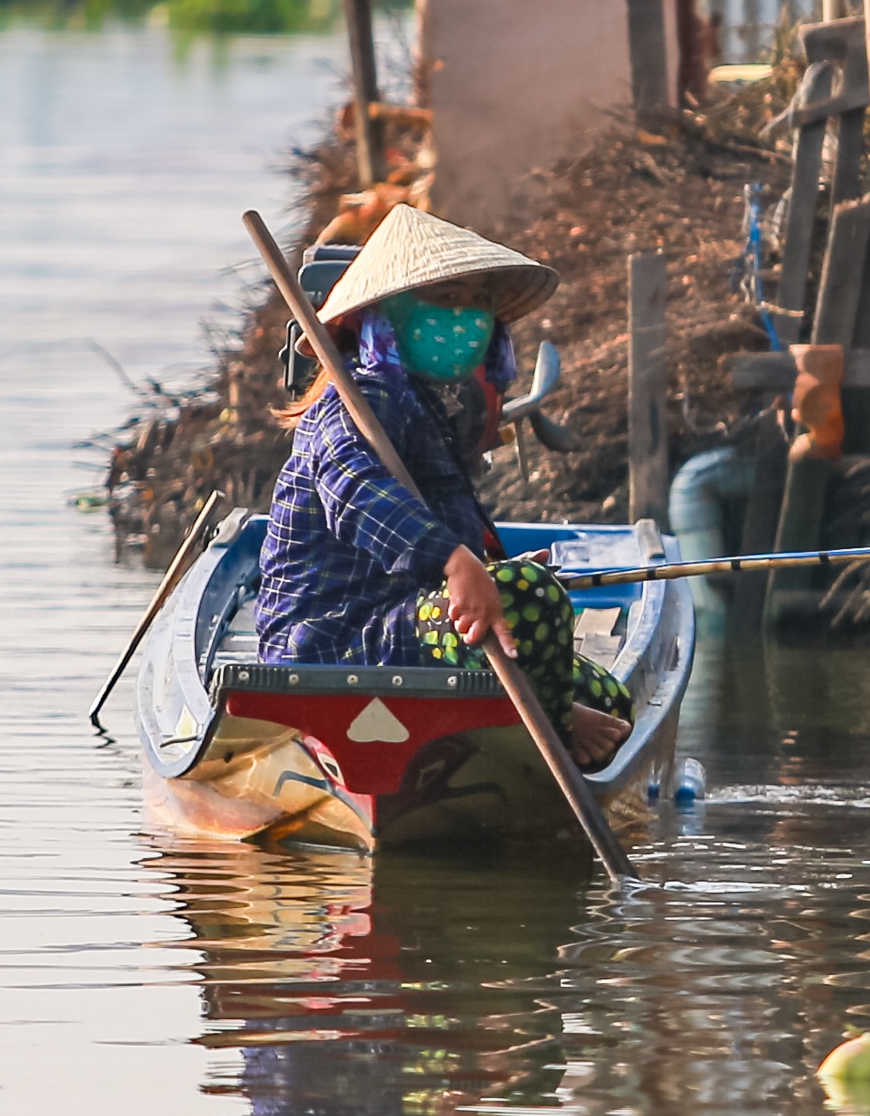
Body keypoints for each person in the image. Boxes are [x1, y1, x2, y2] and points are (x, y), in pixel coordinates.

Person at [254, 204, 631, 770]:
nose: (466, 319)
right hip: (334, 642)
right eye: (445, 300)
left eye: (477, 301)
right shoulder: (356, 401)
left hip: (409, 621)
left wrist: (481, 564)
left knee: (608, 695)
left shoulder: (430, 406)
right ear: (388, 317)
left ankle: (538, 716)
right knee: (529, 597)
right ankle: (544, 726)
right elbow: (357, 490)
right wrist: (456, 564)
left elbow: (450, 527)